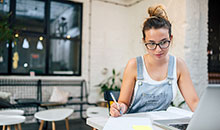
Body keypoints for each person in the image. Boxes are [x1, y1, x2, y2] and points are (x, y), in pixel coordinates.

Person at [110, 4, 199, 117]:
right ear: (144, 41)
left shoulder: (178, 65)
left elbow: (194, 102)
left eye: (163, 42)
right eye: (151, 43)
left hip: (161, 124)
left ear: (170, 39)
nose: (158, 49)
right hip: (134, 125)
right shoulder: (134, 65)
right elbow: (124, 103)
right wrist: (119, 108)